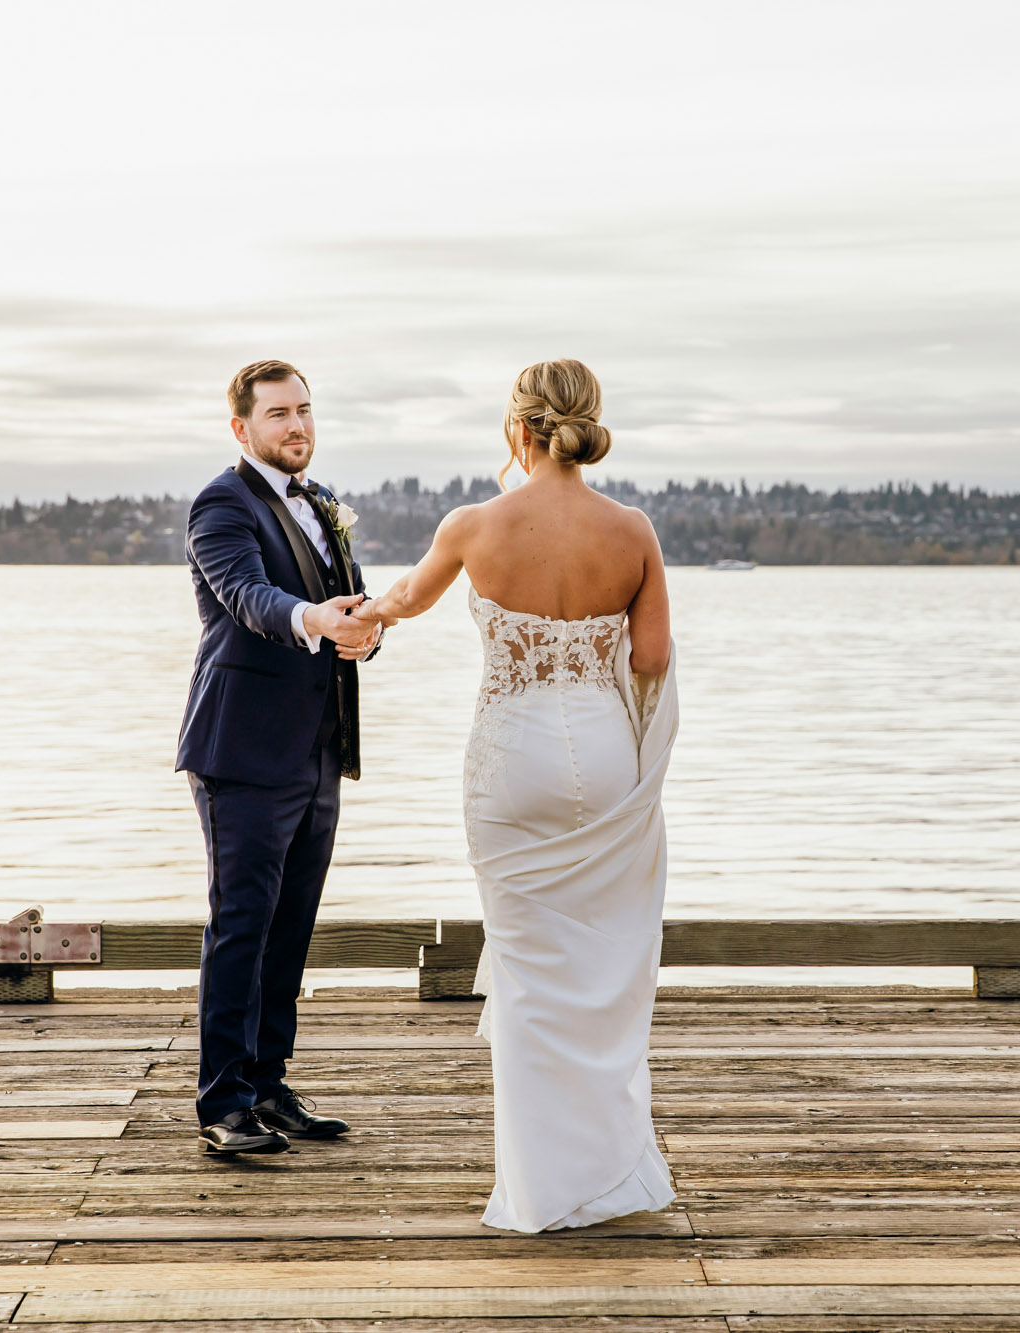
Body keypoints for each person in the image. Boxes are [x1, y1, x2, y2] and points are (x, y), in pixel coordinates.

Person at [354, 358, 677, 1232]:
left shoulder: (473, 524)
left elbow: (405, 600)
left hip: (511, 757)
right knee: (604, 963)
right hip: (606, 755)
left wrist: (361, 613)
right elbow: (650, 661)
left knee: (530, 972)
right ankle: (611, 1168)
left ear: (519, 427)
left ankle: (540, 1188)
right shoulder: (633, 530)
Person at [176, 359, 381, 1155]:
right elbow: (251, 599)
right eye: (277, 415)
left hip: (317, 749)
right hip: (242, 751)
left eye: (303, 412)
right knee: (242, 925)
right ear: (242, 428)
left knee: (291, 925)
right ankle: (222, 1101)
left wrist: (365, 628)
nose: (296, 427)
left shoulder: (322, 503)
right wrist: (316, 620)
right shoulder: (221, 504)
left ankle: (267, 1083)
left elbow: (348, 603)